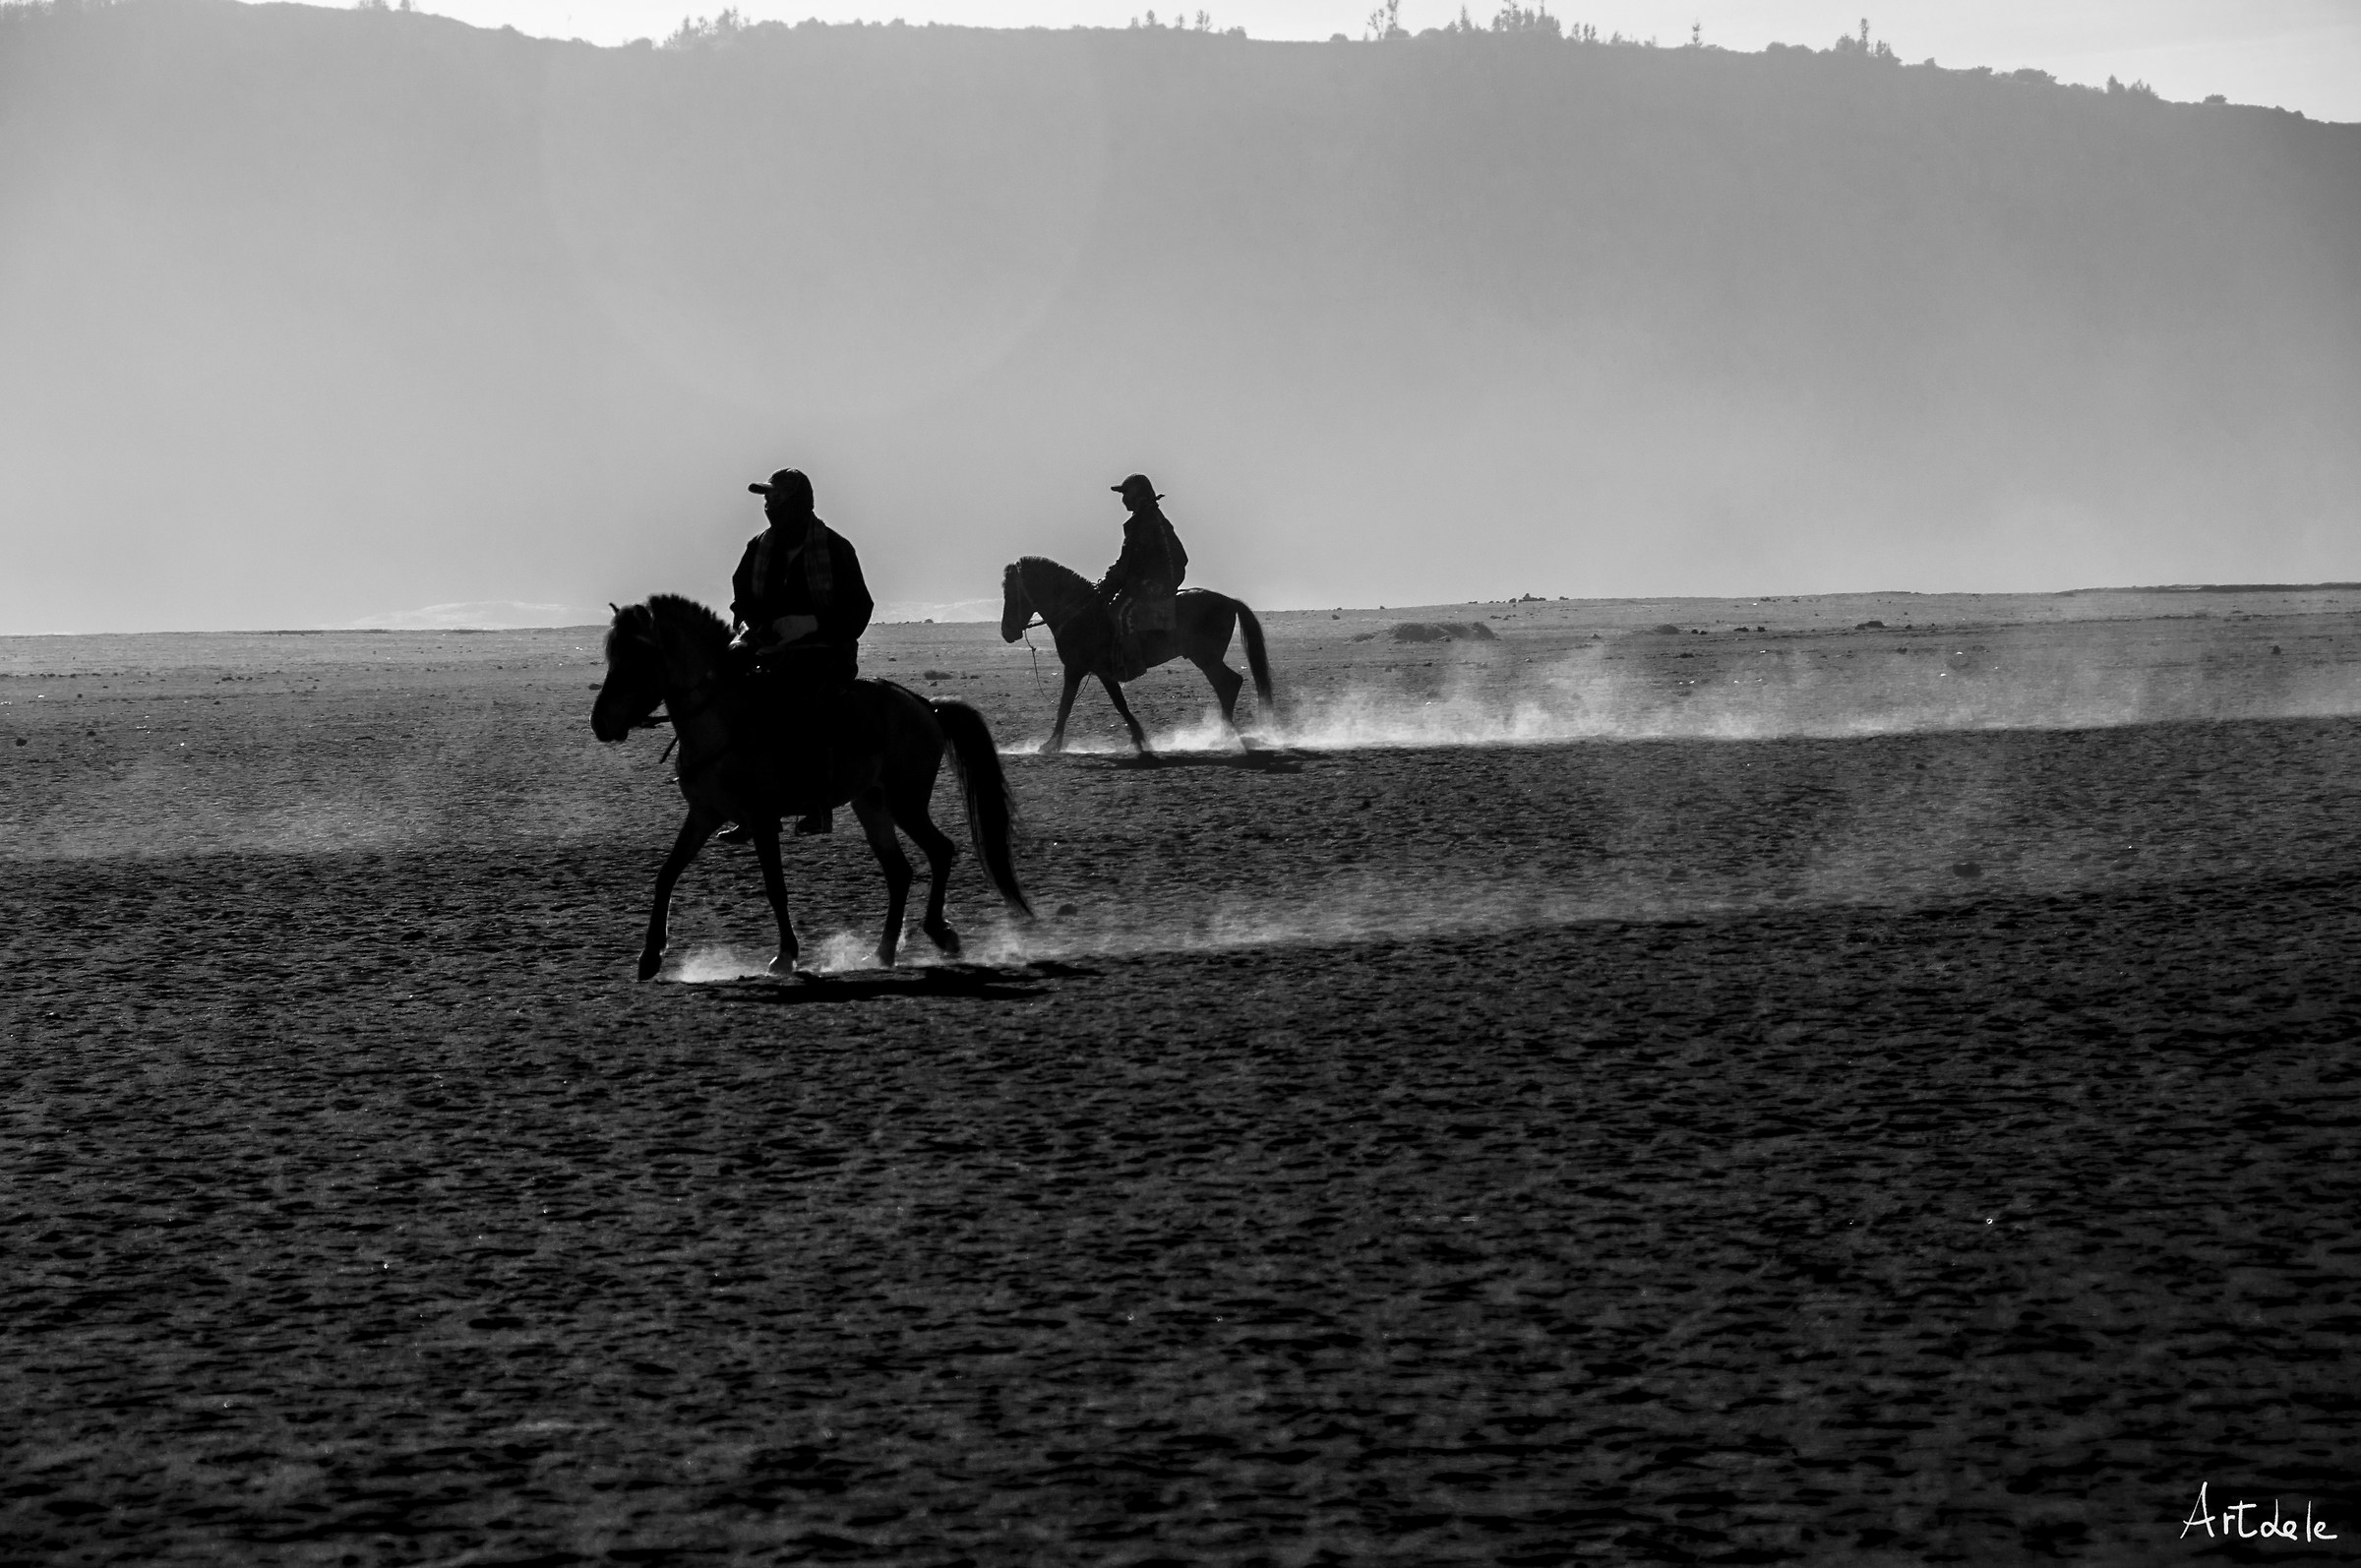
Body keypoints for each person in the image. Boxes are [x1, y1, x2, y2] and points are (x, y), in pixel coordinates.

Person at [727, 467, 874, 835]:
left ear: (796, 502)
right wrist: (749, 627)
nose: (769, 504)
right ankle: (749, 804)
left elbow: (858, 607)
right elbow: (740, 599)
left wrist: (809, 623)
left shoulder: (836, 549)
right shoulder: (758, 548)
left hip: (823, 653)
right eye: (767, 499)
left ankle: (818, 804)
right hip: (766, 650)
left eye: (776, 498)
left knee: (804, 709)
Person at [1096, 473, 1187, 658]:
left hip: (1157, 582)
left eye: (1125, 494)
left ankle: (1132, 660)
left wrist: (1111, 582)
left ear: (1137, 496)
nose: (1123, 500)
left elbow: (1130, 562)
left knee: (1120, 613)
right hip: (1146, 580)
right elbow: (1128, 562)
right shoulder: (1143, 519)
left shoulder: (1147, 522)